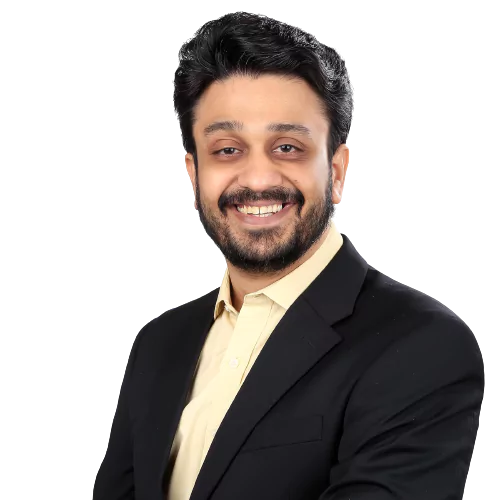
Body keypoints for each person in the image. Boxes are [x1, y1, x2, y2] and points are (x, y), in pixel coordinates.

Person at [93, 12, 483, 500]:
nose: (258, 179)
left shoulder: (422, 347)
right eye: (227, 149)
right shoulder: (161, 344)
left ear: (336, 171)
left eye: (287, 146)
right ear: (194, 175)